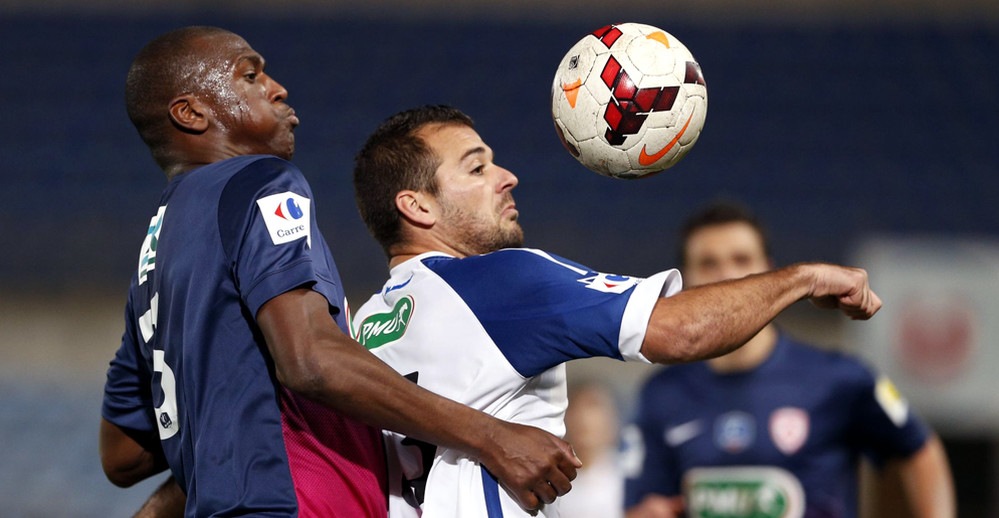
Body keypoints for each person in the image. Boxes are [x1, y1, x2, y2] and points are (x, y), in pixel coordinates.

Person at [99, 27, 580, 518]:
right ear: (191, 113)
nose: (277, 87)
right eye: (250, 74)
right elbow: (310, 359)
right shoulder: (257, 181)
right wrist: (491, 436)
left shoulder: (154, 257)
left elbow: (124, 454)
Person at [349, 105, 882, 517]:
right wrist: (803, 277)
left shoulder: (361, 330)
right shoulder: (501, 280)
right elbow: (680, 332)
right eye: (477, 167)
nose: (506, 176)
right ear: (417, 206)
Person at [623, 202, 956, 518]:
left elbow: (919, 450)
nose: (727, 274)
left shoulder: (838, 377)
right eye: (709, 263)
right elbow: (642, 504)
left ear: (768, 270)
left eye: (742, 259)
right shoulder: (660, 395)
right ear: (685, 283)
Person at [558, 384, 625, 518]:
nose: (583, 418)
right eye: (575, 409)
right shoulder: (549, 481)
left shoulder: (630, 481)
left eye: (593, 406)